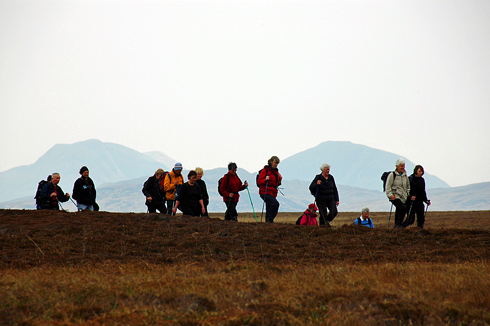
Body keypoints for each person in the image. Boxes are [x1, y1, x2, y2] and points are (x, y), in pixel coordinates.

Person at [385, 158, 410, 228]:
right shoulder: (392, 175)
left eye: (403, 166)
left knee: (399, 210)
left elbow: (408, 186)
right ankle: (399, 224)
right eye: (401, 166)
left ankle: (397, 226)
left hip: (403, 197)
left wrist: (407, 193)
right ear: (397, 166)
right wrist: (390, 195)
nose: (403, 167)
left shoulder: (405, 176)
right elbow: (388, 187)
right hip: (395, 196)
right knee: (403, 208)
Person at [257, 156, 282, 223]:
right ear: (271, 162)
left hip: (273, 193)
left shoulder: (276, 172)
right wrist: (265, 179)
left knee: (269, 207)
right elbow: (259, 181)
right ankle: (270, 220)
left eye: (277, 163)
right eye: (275, 163)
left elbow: (276, 184)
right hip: (265, 192)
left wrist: (280, 180)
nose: (276, 165)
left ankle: (268, 222)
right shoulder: (265, 170)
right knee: (275, 204)